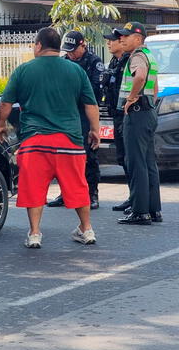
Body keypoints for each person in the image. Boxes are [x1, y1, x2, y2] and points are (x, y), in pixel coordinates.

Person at [0, 27, 100, 249]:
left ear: (39, 45)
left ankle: (34, 233)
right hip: (70, 141)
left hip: (35, 141)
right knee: (78, 186)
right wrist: (95, 130)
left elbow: (5, 104)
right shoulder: (75, 70)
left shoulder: (23, 70)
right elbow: (90, 104)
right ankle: (87, 229)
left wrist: (0, 126)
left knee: (33, 188)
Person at [47, 31, 103, 210]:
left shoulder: (94, 62)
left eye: (73, 50)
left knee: (88, 155)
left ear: (83, 45)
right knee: (63, 154)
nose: (70, 54)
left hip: (85, 113)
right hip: (65, 114)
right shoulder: (63, 62)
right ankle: (65, 193)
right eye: (68, 50)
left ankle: (92, 193)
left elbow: (95, 93)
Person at [114, 22, 162, 225]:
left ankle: (140, 212)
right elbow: (156, 87)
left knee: (136, 163)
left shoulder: (137, 56)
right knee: (149, 162)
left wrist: (132, 98)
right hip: (148, 111)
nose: (122, 39)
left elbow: (140, 76)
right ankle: (153, 210)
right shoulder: (149, 55)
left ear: (138, 38)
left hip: (137, 113)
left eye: (126, 35)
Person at [102, 31, 132, 211]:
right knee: (122, 157)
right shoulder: (114, 62)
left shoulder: (129, 61)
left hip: (127, 114)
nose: (109, 44)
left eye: (112, 41)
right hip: (115, 114)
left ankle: (136, 198)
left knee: (130, 158)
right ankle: (133, 196)